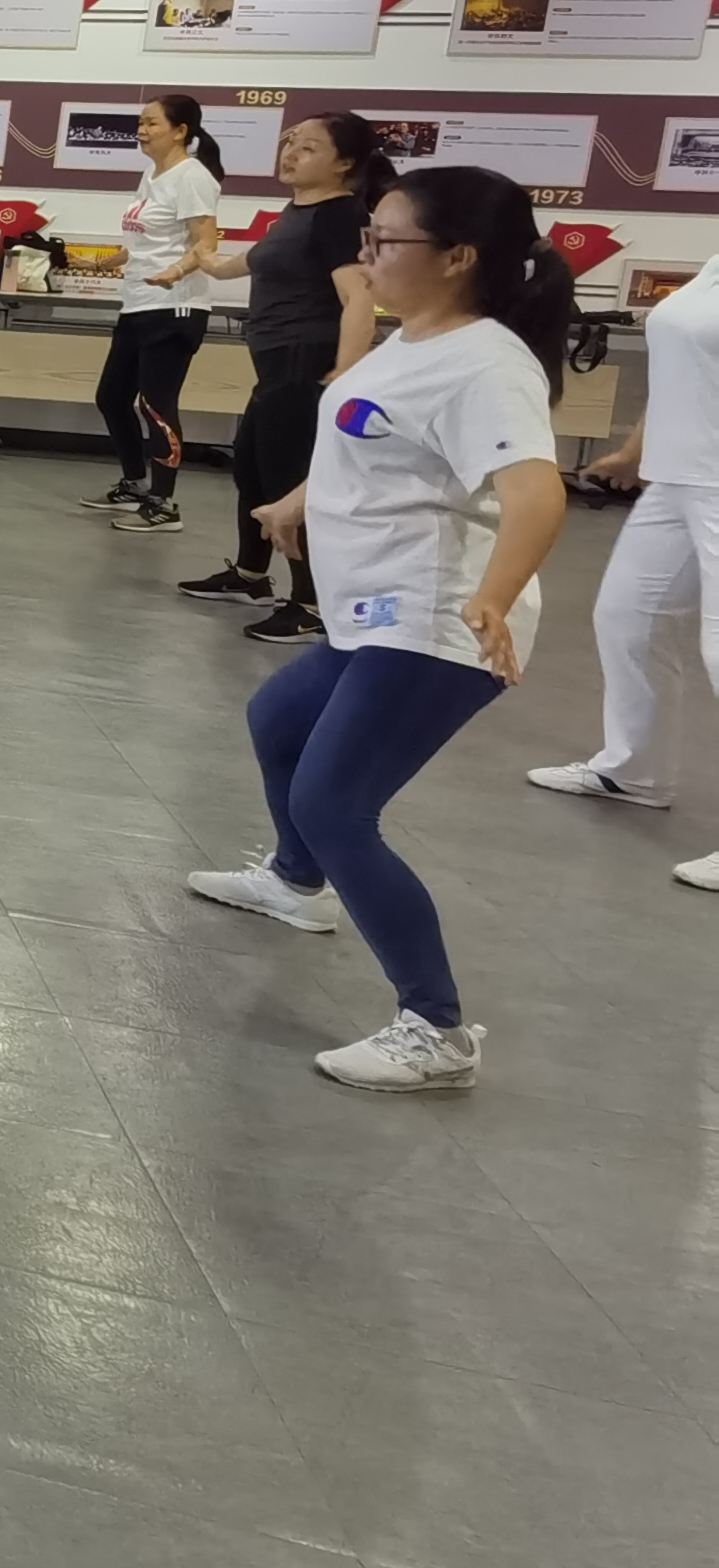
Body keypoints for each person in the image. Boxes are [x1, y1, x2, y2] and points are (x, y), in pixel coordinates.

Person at [186, 167, 572, 1090]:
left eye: (386, 239)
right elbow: (375, 440)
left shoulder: (488, 364)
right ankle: (295, 882)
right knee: (278, 722)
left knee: (335, 803)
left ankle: (436, 1029)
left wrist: (494, 596)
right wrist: (300, 498)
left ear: (458, 257)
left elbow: (535, 493)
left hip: (438, 619)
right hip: (376, 608)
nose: (367, 252)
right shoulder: (413, 340)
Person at [527, 268, 719, 893]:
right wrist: (637, 450)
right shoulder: (712, 268)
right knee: (630, 618)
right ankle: (636, 771)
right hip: (677, 475)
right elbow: (682, 372)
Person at [174, 113, 387, 641]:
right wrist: (202, 258)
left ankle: (312, 603)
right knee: (251, 466)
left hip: (305, 362)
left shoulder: (340, 216)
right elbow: (243, 263)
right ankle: (250, 576)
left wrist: (345, 373)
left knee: (290, 482)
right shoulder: (298, 213)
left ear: (344, 163)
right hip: (276, 366)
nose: (291, 152)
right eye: (291, 141)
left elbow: (359, 299)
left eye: (309, 147)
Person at [91, 94, 226, 534]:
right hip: (139, 303)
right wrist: (114, 259)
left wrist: (177, 270)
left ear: (181, 131)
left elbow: (206, 242)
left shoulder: (192, 176)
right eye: (140, 123)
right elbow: (149, 238)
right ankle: (134, 484)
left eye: (152, 123)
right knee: (112, 397)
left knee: (157, 406)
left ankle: (164, 504)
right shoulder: (152, 174)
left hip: (175, 306)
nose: (142, 131)